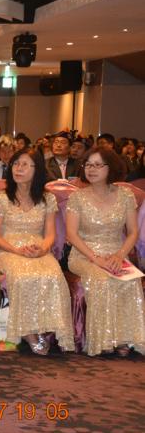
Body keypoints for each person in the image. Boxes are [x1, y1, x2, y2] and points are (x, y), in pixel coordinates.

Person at [0, 148, 74, 354]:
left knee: (53, 275)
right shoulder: (2, 197)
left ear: (37, 170)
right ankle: (28, 333)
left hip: (37, 248)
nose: (18, 168)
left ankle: (39, 326)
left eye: (25, 164)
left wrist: (42, 250)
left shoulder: (47, 198)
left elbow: (50, 234)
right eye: (16, 164)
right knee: (22, 275)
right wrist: (16, 250)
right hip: (8, 249)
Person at [66, 148, 144, 357]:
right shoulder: (77, 197)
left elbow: (133, 232)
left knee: (130, 280)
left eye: (98, 165)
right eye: (88, 165)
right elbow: (72, 235)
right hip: (84, 255)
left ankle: (125, 338)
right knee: (101, 279)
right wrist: (96, 259)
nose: (91, 169)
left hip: (116, 253)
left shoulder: (125, 195)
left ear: (111, 167)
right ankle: (105, 340)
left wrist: (119, 256)